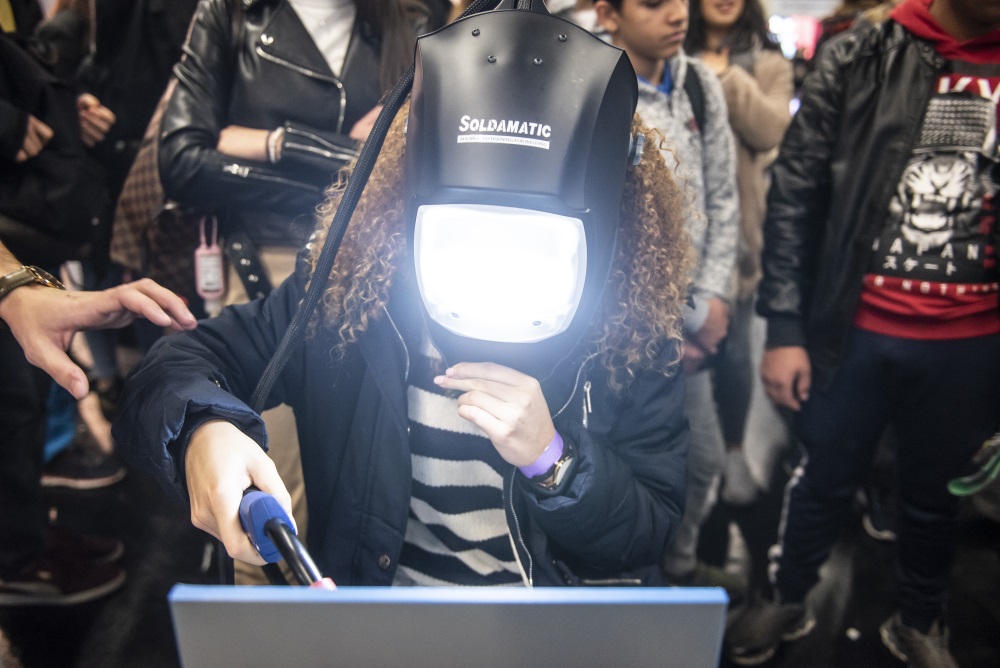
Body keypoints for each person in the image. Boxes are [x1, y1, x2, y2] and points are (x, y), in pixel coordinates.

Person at [113, 3, 693, 586]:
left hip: (545, 622)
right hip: (388, 613)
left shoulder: (630, 333)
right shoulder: (355, 301)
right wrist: (202, 429)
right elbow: (180, 361)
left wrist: (554, 460)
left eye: (534, 241)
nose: (494, 264)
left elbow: (649, 532)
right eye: (467, 231)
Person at [725, 0, 1000, 665]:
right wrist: (785, 327)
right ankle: (787, 595)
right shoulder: (863, 54)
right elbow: (797, 188)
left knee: (936, 495)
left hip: (971, 340)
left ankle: (920, 619)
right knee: (822, 475)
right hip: (854, 330)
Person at [157, 0, 445, 581]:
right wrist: (324, 153)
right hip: (263, 268)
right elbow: (182, 161)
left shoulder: (409, 22)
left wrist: (263, 142)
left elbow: (416, 162)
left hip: (370, 282)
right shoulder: (231, 13)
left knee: (358, 488)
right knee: (266, 501)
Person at [593, 0, 740, 590]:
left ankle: (675, 575)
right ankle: (630, 590)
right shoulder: (590, 80)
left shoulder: (699, 84)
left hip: (694, 323)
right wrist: (675, 323)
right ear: (608, 14)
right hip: (622, 331)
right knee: (623, 468)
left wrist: (713, 303)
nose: (677, 13)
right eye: (654, 3)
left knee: (702, 464)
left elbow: (724, 197)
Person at [0, 239, 196, 605]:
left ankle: (26, 536)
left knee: (25, 403)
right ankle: (18, 564)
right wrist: (12, 288)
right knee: (12, 410)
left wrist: (16, 287)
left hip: (31, 247)